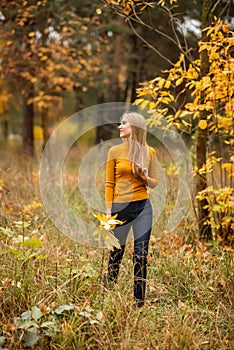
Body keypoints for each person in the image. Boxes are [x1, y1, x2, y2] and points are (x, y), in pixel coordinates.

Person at [105, 111, 158, 307]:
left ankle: (139, 303)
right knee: (116, 253)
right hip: (120, 208)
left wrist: (145, 177)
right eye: (120, 123)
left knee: (141, 255)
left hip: (143, 207)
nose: (119, 126)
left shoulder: (149, 152)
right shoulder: (114, 151)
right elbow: (109, 183)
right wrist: (109, 212)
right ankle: (108, 293)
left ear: (134, 127)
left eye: (124, 123)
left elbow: (154, 183)